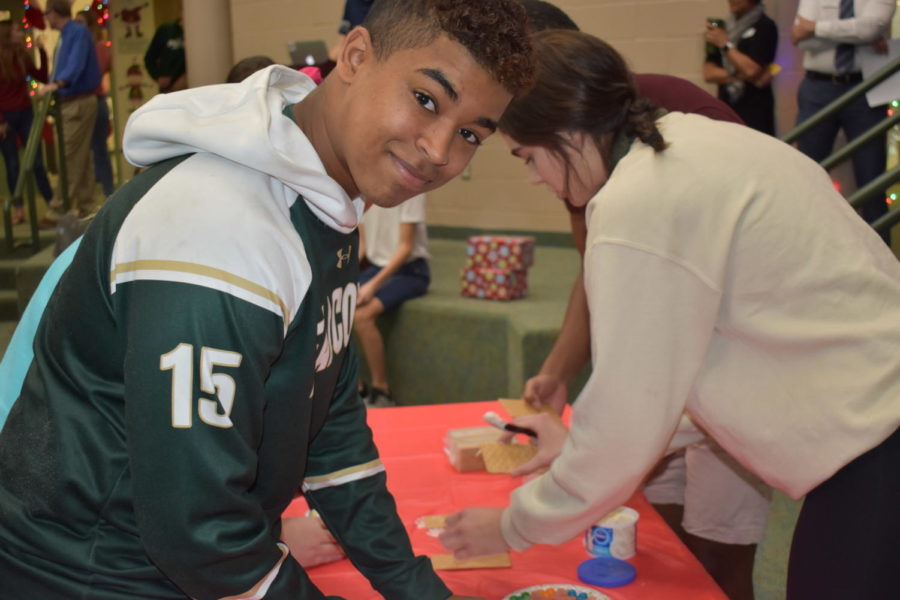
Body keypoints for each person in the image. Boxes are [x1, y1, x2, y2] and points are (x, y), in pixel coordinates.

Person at [0, 1, 532, 598]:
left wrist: (413, 585)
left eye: (469, 135)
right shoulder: (217, 226)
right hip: (86, 573)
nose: (439, 150)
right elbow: (198, 532)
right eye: (426, 99)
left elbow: (329, 424)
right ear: (354, 56)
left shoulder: (325, 194)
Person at [439, 29, 900, 600]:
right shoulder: (691, 145)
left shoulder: (636, 203)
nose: (536, 178)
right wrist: (579, 440)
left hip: (876, 440)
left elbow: (634, 405)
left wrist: (513, 524)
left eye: (528, 157)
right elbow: (681, 379)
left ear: (567, 132)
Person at [517, 3, 768, 599]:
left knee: (718, 552)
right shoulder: (568, 148)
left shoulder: (651, 121)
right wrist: (559, 371)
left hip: (730, 371)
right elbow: (598, 269)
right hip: (661, 385)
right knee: (654, 538)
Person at [791, 0, 895, 243]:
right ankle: (807, 250)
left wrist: (816, 27)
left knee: (872, 182)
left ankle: (881, 267)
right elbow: (800, 38)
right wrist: (856, 34)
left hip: (866, 88)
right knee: (806, 176)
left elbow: (869, 28)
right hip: (817, 88)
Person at [355, 194, 431, 408]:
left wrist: (373, 285)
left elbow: (406, 248)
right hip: (376, 267)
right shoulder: (365, 192)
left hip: (411, 271)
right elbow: (363, 245)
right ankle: (355, 386)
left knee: (362, 316)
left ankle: (382, 390)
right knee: (337, 307)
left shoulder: (412, 191)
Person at [38, 0, 101, 220]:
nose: (46, 18)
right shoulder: (66, 34)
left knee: (69, 155)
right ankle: (87, 205)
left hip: (77, 101)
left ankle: (58, 208)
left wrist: (58, 83)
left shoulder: (77, 32)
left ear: (55, 12)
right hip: (71, 101)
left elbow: (74, 65)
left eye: (47, 13)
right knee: (81, 155)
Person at [0, 17, 54, 225]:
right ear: (6, 35)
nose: (20, 33)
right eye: (16, 30)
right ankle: (18, 209)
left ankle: (51, 203)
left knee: (37, 161)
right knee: (12, 164)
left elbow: (42, 76)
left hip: (25, 113)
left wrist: (41, 51)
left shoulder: (22, 55)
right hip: (6, 117)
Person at [702, 0, 778, 135]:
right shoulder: (722, 29)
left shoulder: (765, 26)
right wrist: (741, 76)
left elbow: (751, 69)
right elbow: (708, 73)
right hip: (727, 106)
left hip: (755, 110)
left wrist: (725, 44)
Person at [74, 8, 114, 197]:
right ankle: (94, 194)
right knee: (89, 151)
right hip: (88, 101)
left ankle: (107, 193)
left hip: (96, 101)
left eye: (80, 23)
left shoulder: (97, 47)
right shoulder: (82, 47)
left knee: (99, 149)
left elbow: (97, 73)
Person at [144, 14, 186, 93]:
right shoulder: (166, 30)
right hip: (168, 87)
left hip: (189, 85)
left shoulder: (197, 33)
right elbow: (149, 58)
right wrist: (157, 77)